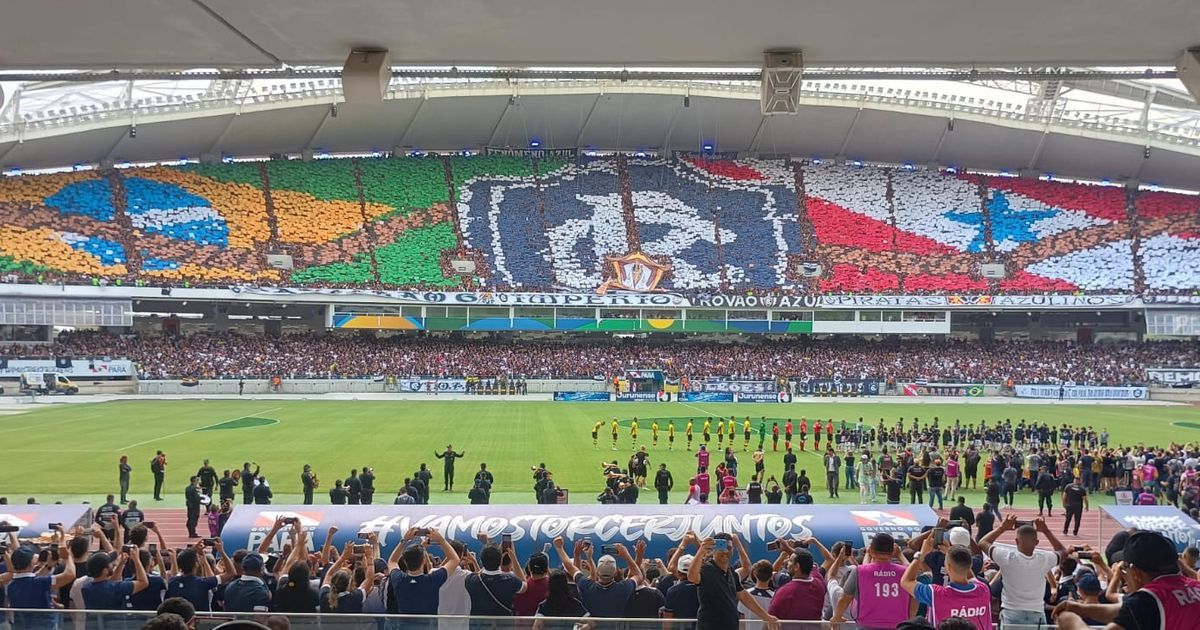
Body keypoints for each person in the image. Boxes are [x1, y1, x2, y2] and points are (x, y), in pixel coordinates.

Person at [1054, 530, 1200, 630]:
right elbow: (1126, 611)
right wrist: (1081, 609)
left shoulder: (1149, 599)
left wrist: (1071, 621)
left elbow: (1135, 609)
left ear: (1136, 572)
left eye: (1124, 570)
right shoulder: (1194, 587)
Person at [977, 515, 1064, 626]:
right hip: (1036, 613)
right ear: (1036, 542)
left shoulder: (1006, 557)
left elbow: (983, 542)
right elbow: (1062, 551)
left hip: (1011, 612)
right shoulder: (1044, 559)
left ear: (1016, 541)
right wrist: (1046, 531)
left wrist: (1002, 528)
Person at [689, 533, 779, 628]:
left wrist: (765, 616)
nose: (725, 551)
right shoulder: (706, 569)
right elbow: (692, 577)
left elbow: (743, 595)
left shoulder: (731, 571)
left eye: (729, 547)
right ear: (713, 549)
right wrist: (701, 551)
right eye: (721, 547)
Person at [901, 539, 991, 630]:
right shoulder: (983, 590)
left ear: (948, 567)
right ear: (970, 565)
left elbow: (906, 581)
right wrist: (950, 552)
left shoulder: (936, 594)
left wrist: (922, 553)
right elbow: (968, 573)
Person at [833, 533, 910, 630]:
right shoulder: (904, 572)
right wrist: (900, 555)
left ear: (871, 550)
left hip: (866, 625)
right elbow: (914, 596)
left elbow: (845, 598)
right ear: (893, 551)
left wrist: (837, 616)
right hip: (898, 625)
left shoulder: (859, 571)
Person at [1, 525, 74, 627]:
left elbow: (29, 579)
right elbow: (70, 575)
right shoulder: (40, 582)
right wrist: (68, 557)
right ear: (31, 563)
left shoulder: (11, 585)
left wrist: (47, 566)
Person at [387, 527, 461, 615]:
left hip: (404, 625)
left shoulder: (398, 579)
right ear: (424, 560)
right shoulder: (433, 580)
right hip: (429, 625)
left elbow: (392, 561)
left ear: (405, 561)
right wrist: (441, 540)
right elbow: (455, 559)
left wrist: (404, 540)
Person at [167, 539, 236, 612]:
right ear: (196, 564)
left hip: (180, 620)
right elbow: (231, 572)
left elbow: (175, 571)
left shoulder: (172, 581)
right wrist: (221, 551)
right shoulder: (204, 582)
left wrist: (193, 550)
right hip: (201, 621)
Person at [465, 544, 525, 617]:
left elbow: (479, 574)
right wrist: (513, 558)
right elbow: (525, 586)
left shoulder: (470, 580)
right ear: (500, 561)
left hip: (479, 625)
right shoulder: (511, 580)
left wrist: (474, 561)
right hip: (504, 625)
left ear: (481, 561)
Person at [81, 546, 150, 610]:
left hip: (97, 622)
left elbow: (109, 583)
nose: (113, 564)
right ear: (105, 571)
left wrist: (121, 564)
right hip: (117, 622)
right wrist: (136, 560)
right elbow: (143, 582)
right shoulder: (117, 587)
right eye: (110, 563)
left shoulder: (86, 588)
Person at [768, 545, 825, 621]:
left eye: (790, 561)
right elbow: (808, 563)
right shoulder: (819, 584)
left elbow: (770, 619)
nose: (788, 563)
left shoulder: (785, 591)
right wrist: (788, 548)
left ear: (797, 566)